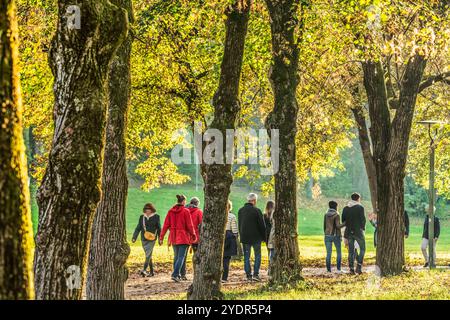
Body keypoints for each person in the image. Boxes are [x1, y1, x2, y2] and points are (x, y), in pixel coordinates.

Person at [159, 195, 197, 282]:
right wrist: (193, 234)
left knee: (176, 256)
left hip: (173, 237)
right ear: (183, 201)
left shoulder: (170, 211)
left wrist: (161, 237)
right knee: (181, 256)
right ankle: (175, 274)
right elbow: (190, 225)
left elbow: (165, 225)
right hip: (183, 237)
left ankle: (178, 274)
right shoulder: (185, 211)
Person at [238, 193, 266, 282]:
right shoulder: (257, 211)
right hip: (256, 237)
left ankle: (248, 275)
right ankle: (256, 274)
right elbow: (262, 226)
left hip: (245, 237)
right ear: (254, 201)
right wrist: (264, 238)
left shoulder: (240, 210)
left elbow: (240, 224)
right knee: (257, 255)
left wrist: (241, 235)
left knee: (247, 256)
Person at [132, 203, 161, 277]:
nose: (147, 211)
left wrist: (160, 239)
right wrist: (134, 237)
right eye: (146, 209)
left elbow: (159, 229)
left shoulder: (156, 217)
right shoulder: (142, 217)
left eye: (149, 209)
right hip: (143, 239)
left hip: (152, 239)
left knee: (148, 255)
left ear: (152, 210)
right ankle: (151, 272)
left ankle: (144, 269)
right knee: (149, 255)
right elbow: (138, 228)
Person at [342, 193, 366, 275]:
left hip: (348, 232)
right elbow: (363, 220)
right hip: (358, 232)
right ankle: (359, 267)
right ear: (358, 199)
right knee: (363, 249)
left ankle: (351, 269)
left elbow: (343, 220)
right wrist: (362, 228)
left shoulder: (345, 208)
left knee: (351, 251)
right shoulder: (360, 207)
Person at [180, 197, 203, 280]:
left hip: (185, 237)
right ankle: (197, 274)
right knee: (197, 256)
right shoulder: (199, 212)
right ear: (197, 204)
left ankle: (182, 274)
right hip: (196, 237)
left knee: (183, 256)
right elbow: (201, 225)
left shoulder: (184, 211)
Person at [324, 201, 344, 273]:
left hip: (327, 235)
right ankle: (338, 269)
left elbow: (324, 226)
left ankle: (328, 270)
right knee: (338, 252)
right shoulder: (336, 215)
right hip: (336, 236)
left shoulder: (326, 214)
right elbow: (338, 226)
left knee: (328, 253)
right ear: (336, 207)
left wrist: (326, 234)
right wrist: (345, 223)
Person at [222, 200, 239, 283]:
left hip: (220, 236)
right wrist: (236, 236)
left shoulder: (220, 216)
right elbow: (234, 229)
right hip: (229, 236)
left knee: (220, 258)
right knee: (226, 258)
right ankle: (224, 277)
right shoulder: (232, 216)